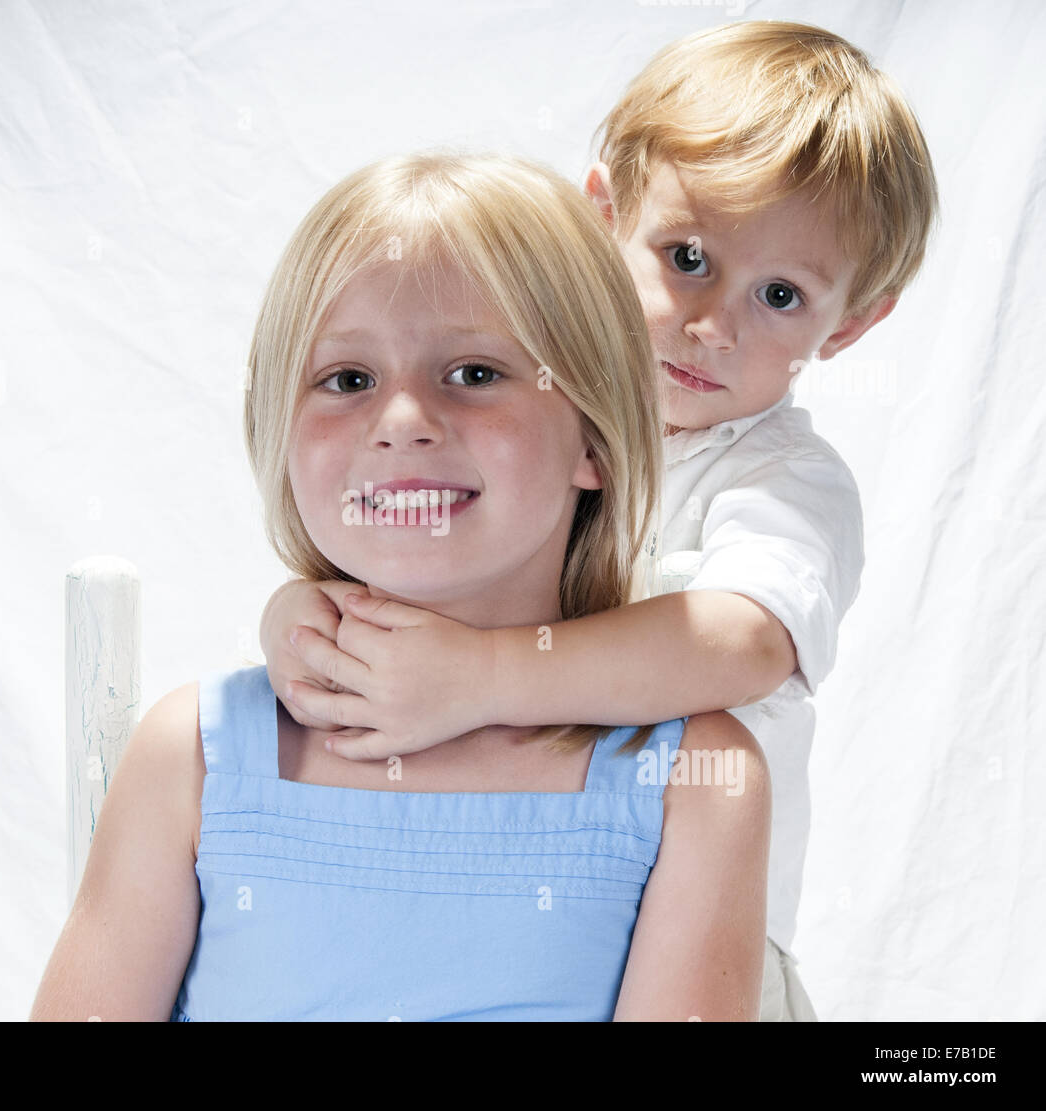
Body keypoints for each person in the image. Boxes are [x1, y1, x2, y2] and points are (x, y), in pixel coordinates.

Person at [258, 21, 939, 1022]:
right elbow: (422, 564)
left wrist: (484, 676)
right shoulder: (523, 417)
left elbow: (745, 637)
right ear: (601, 217)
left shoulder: (782, 477)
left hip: (694, 930)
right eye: (688, 256)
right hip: (512, 910)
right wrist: (307, 611)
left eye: (781, 294)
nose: (714, 322)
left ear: (849, 324)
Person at [29, 150, 770, 1022]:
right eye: (348, 380)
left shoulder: (693, 778)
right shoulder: (191, 757)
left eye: (474, 373)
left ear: (595, 442)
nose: (403, 422)